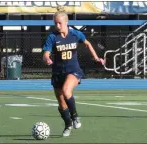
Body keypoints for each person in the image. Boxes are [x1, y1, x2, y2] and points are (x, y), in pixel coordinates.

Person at [42, 6, 105, 137]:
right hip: (58, 72)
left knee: (66, 91)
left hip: (73, 70)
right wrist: (47, 58)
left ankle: (75, 117)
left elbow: (87, 43)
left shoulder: (75, 34)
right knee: (61, 103)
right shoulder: (52, 37)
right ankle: (67, 124)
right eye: (55, 23)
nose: (57, 26)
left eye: (60, 23)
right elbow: (46, 53)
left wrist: (96, 58)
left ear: (66, 22)